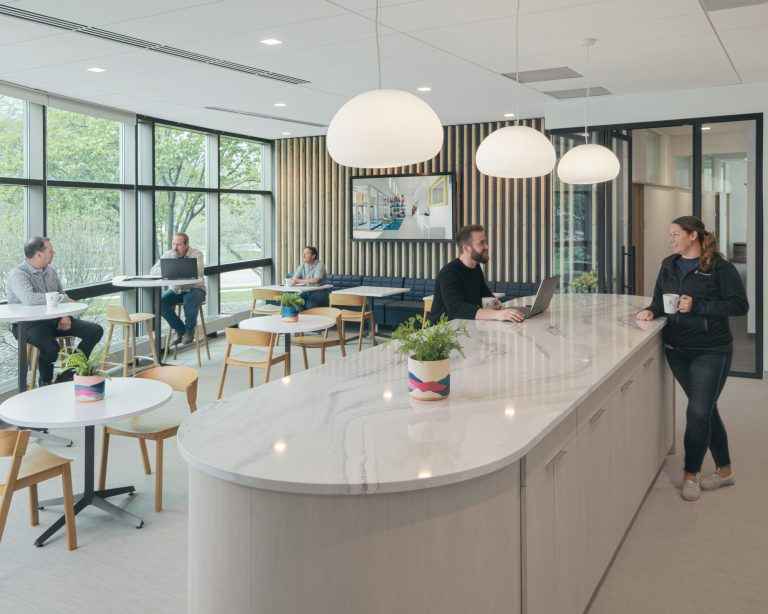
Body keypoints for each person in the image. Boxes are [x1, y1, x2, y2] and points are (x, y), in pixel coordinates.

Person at [636, 216, 748, 502]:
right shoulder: (669, 264)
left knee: (697, 412)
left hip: (711, 350)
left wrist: (699, 306)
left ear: (693, 235)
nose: (671, 239)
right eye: (670, 234)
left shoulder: (719, 267)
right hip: (676, 349)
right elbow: (660, 300)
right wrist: (651, 310)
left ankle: (691, 474)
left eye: (675, 234)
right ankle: (725, 470)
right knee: (706, 410)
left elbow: (739, 304)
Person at [7, 237, 103, 387]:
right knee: (51, 347)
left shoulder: (50, 271)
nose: (54, 253)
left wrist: (65, 314)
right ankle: (45, 384)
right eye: (51, 251)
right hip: (28, 325)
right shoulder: (18, 274)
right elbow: (30, 299)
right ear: (38, 255)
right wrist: (61, 298)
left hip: (54, 320)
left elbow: (62, 296)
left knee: (95, 330)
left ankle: (68, 374)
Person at [429, 224, 525, 323]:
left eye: (485, 242)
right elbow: (456, 309)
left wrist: (494, 302)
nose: (486, 246)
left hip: (465, 327)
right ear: (466, 249)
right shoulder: (449, 273)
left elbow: (485, 294)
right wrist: (497, 314)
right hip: (443, 333)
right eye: (481, 243)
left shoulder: (475, 268)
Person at [151, 232, 206, 345]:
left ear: (186, 245)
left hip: (196, 289)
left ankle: (190, 330)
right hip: (175, 290)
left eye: (179, 245)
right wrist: (173, 268)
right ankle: (180, 329)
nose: (175, 248)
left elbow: (197, 271)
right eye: (173, 244)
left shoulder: (197, 254)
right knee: (159, 302)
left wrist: (172, 269)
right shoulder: (168, 254)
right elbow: (153, 271)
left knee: (189, 299)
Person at [288, 245, 329, 310]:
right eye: (303, 254)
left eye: (306, 254)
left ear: (313, 256)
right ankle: (302, 319)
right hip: (307, 291)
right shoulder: (302, 265)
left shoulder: (320, 265)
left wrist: (298, 281)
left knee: (310, 304)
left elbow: (316, 280)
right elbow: (294, 279)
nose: (303, 256)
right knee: (295, 301)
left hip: (320, 292)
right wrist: (294, 280)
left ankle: (314, 320)